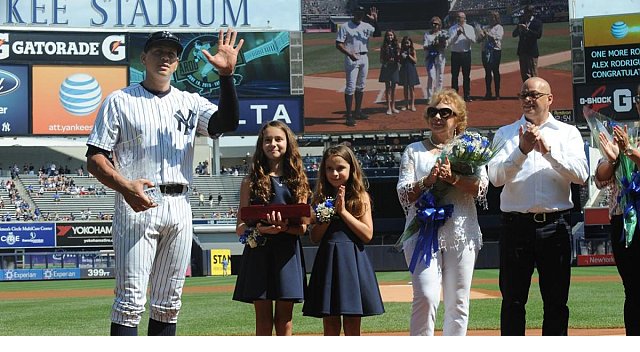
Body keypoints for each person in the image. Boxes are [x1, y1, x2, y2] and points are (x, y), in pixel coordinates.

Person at [86, 28, 244, 336]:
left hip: (180, 205)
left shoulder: (191, 102)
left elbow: (226, 123)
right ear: (144, 58)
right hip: (137, 203)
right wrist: (124, 187)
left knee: (169, 303)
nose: (165, 56)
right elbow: (95, 157)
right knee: (130, 303)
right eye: (158, 51)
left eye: (171, 53)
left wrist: (226, 77)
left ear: (176, 63)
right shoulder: (119, 100)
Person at [487, 77, 588, 335]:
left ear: (550, 99)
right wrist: (521, 150)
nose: (528, 100)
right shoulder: (505, 134)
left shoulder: (568, 133)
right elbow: (495, 178)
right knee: (512, 301)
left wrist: (548, 151)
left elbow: (581, 175)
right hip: (515, 227)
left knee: (556, 303)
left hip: (556, 226)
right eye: (523, 95)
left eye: (534, 94)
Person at [396, 89, 487, 335]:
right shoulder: (414, 150)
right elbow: (403, 193)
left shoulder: (471, 147)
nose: (438, 117)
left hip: (461, 231)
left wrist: (453, 178)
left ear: (458, 118)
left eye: (445, 112)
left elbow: (481, 188)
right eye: (433, 111)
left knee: (458, 301)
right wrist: (428, 181)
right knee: (425, 296)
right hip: (423, 233)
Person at [232, 120, 312, 336]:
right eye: (268, 140)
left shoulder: (299, 180)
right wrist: (261, 231)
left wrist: (284, 227)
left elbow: (303, 228)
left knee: (285, 319)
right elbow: (240, 227)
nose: (273, 144)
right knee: (263, 320)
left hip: (288, 253)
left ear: (288, 143)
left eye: (278, 139)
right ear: (261, 144)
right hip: (259, 252)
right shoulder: (250, 180)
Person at [302, 145, 384, 335]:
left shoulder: (360, 196)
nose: (335, 173)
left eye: (340, 168)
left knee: (352, 322)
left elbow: (367, 234)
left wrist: (343, 212)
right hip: (328, 259)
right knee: (330, 323)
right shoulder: (319, 197)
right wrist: (327, 215)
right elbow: (314, 237)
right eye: (329, 168)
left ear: (351, 168)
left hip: (353, 261)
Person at [593, 83, 640, 335]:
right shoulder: (626, 134)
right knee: (632, 289)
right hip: (625, 223)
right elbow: (600, 178)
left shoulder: (628, 143)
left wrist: (628, 151)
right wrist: (612, 159)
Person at [336, 6, 380, 127]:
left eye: (361, 13)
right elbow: (338, 44)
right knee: (350, 87)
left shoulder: (366, 25)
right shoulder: (345, 26)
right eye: (357, 12)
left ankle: (358, 112)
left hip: (364, 57)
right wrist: (349, 54)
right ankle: (349, 116)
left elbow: (377, 34)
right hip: (351, 58)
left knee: (361, 85)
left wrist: (375, 20)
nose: (359, 15)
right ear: (353, 13)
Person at [448, 11, 476, 102]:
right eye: (457, 17)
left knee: (466, 75)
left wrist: (464, 33)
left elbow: (473, 40)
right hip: (455, 53)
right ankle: (454, 95)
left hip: (466, 53)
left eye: (460, 17)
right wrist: (457, 35)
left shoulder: (470, 28)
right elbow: (449, 42)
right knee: (454, 75)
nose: (458, 18)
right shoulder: (452, 28)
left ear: (464, 18)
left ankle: (467, 95)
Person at [477, 10, 503, 100]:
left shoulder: (499, 27)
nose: (491, 19)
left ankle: (497, 93)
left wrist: (487, 34)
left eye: (493, 17)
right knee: (487, 72)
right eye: (490, 17)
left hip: (495, 51)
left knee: (495, 71)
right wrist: (482, 35)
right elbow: (478, 40)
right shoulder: (485, 27)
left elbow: (497, 38)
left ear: (497, 18)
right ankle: (488, 92)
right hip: (485, 51)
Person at [513, 5, 543, 82]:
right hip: (522, 51)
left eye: (528, 12)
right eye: (525, 12)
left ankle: (535, 92)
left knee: (533, 73)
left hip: (532, 51)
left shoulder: (537, 22)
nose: (526, 14)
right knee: (524, 73)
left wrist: (527, 30)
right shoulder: (522, 21)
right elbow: (514, 34)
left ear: (532, 12)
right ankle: (527, 90)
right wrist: (518, 29)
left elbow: (538, 35)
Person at [423, 16, 448, 102]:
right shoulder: (427, 34)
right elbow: (425, 46)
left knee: (440, 77)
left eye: (436, 24)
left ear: (439, 25)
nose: (434, 25)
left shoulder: (443, 34)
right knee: (431, 77)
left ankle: (438, 96)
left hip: (440, 58)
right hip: (430, 59)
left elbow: (445, 46)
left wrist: (442, 43)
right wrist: (433, 45)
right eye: (433, 24)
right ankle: (430, 97)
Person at [378, 30, 400, 115]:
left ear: (394, 36)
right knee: (388, 88)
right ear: (386, 37)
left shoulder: (396, 46)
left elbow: (399, 56)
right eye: (388, 36)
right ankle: (389, 107)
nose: (390, 37)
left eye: (391, 35)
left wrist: (397, 59)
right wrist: (386, 61)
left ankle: (393, 106)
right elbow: (381, 59)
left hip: (394, 67)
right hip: (387, 67)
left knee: (394, 87)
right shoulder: (384, 46)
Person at [399, 36, 420, 112]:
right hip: (404, 69)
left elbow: (415, 61)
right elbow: (400, 62)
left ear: (410, 43)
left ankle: (412, 104)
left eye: (408, 42)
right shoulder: (401, 50)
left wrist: (409, 55)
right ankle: (406, 104)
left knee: (411, 88)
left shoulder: (412, 50)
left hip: (411, 69)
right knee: (405, 88)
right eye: (405, 43)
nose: (406, 44)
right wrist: (401, 56)